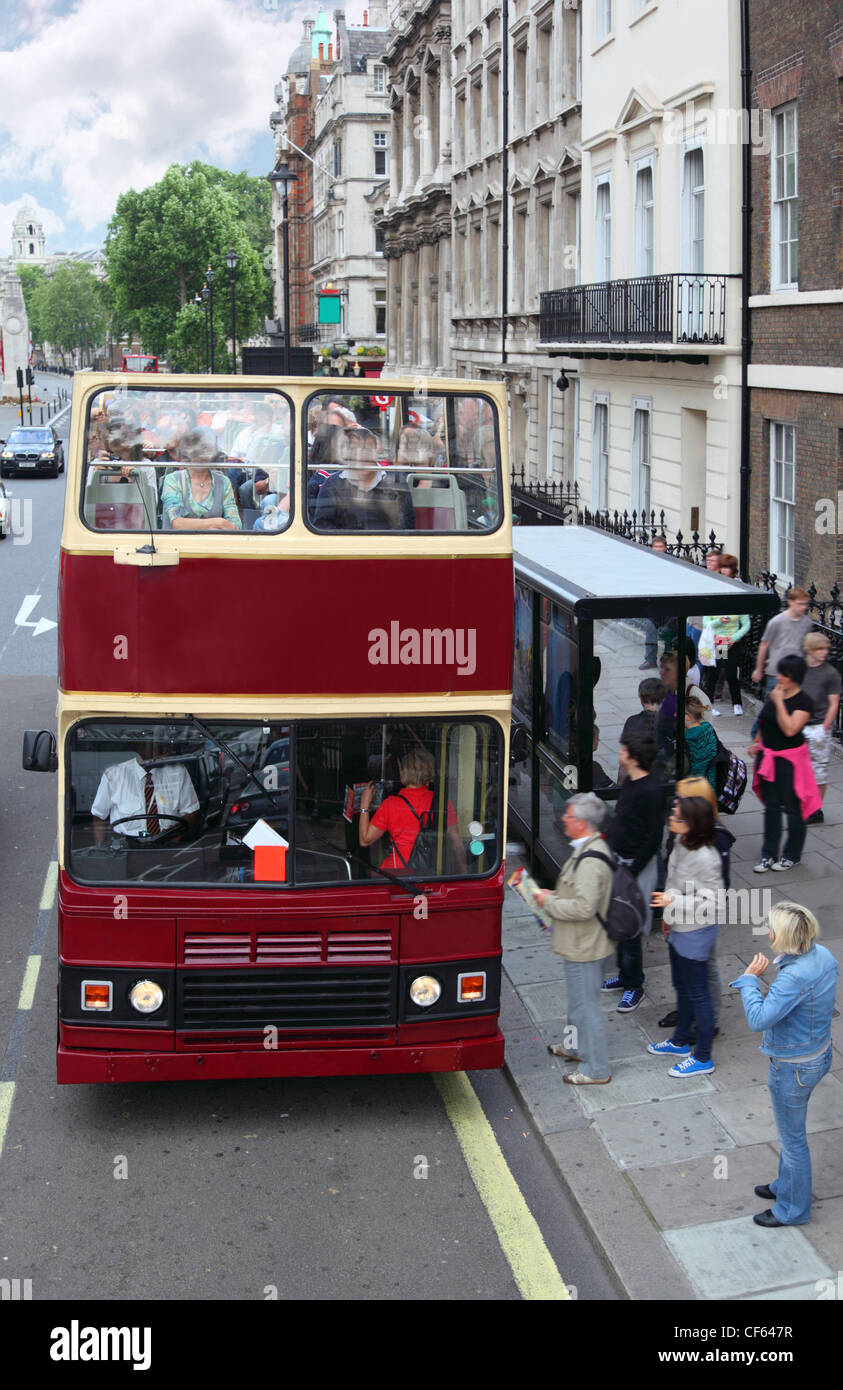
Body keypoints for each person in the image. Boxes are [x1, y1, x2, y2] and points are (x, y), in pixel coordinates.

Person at [730, 902, 838, 1226]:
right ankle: (785, 1185)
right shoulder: (824, 957)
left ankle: (792, 1209)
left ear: (783, 936)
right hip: (818, 1053)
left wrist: (749, 981)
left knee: (792, 1141)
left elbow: (759, 1019)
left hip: (793, 1068)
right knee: (791, 1135)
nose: (767, 931)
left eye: (771, 928)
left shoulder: (793, 977)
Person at [533, 793, 614, 1086]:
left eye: (567, 816)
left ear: (580, 823)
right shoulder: (585, 848)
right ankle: (573, 1046)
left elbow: (584, 907)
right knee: (576, 1003)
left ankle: (597, 1069)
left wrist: (547, 902)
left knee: (586, 1007)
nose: (563, 819)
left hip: (586, 946)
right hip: (579, 943)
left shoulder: (591, 861)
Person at [648, 795, 724, 1076]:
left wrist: (673, 904)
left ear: (692, 824)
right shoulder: (682, 842)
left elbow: (715, 904)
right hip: (679, 926)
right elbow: (673, 882)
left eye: (677, 817)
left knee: (699, 994)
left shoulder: (706, 857)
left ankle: (703, 1057)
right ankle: (679, 1041)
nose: (671, 819)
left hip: (696, 932)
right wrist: (668, 918)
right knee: (682, 986)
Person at [658, 775, 734, 1037]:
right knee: (688, 974)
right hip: (682, 915)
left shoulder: (714, 840)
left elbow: (713, 891)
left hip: (700, 919)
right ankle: (687, 1013)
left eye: (682, 798)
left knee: (705, 970)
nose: (675, 803)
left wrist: (675, 903)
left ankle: (707, 1022)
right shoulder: (685, 835)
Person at [603, 731, 666, 1012]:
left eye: (623, 751)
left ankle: (634, 985)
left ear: (634, 758)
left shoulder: (651, 792)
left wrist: (631, 872)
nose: (619, 754)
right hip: (621, 862)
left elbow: (654, 840)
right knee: (618, 924)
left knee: (629, 930)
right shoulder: (631, 783)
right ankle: (626, 976)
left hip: (635, 868)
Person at [749, 654, 820, 873]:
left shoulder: (803, 701)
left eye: (784, 675)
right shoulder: (774, 694)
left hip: (790, 762)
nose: (779, 677)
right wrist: (757, 742)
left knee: (793, 809)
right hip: (768, 758)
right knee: (771, 808)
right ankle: (768, 854)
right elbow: (764, 720)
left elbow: (790, 728)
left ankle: (792, 855)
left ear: (795, 677)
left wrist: (779, 702)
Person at [358, 747, 466, 872]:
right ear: (430, 771)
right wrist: (464, 872)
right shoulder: (441, 803)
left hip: (396, 873)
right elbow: (456, 842)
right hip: (430, 871)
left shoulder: (391, 804)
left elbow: (365, 840)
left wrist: (364, 805)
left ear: (403, 771)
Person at [91, 745, 199, 844]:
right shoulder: (114, 775)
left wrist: (175, 837)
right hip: (126, 847)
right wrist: (101, 849)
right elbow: (99, 816)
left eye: (162, 747)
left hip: (167, 843)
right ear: (140, 751)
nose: (166, 752)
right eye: (156, 748)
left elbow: (191, 811)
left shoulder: (178, 772)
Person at [314, 427, 413, 530]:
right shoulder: (332, 484)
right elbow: (322, 525)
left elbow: (406, 524)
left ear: (376, 453)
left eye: (368, 450)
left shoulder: (396, 481)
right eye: (355, 450)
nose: (362, 456)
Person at [160, 428, 242, 532]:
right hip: (178, 546)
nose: (200, 455)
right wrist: (218, 523)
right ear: (188, 452)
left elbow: (235, 525)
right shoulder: (173, 480)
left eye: (206, 449)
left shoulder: (224, 482)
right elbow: (177, 523)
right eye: (196, 449)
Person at [801, 632, 841, 823]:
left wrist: (825, 727)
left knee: (819, 772)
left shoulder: (830, 673)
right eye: (820, 649)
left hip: (818, 727)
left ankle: (815, 810)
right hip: (799, 726)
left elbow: (834, 703)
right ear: (809, 650)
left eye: (826, 649)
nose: (824, 652)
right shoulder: (800, 669)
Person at [751, 588, 812, 700]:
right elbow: (764, 645)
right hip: (777, 671)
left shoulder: (807, 623)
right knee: (772, 706)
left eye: (805, 604)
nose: (804, 607)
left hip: (797, 672)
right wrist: (759, 669)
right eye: (800, 604)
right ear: (790, 602)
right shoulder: (777, 621)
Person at [699, 599, 750, 716]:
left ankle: (737, 704)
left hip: (731, 642)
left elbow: (746, 624)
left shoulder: (739, 605)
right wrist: (719, 621)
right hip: (718, 643)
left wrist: (734, 638)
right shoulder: (714, 604)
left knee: (731, 673)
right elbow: (706, 623)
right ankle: (709, 705)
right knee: (713, 673)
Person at [684, 694, 718, 788]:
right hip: (710, 783)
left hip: (693, 787)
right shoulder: (709, 729)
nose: (675, 715)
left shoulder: (687, 738)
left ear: (688, 717)